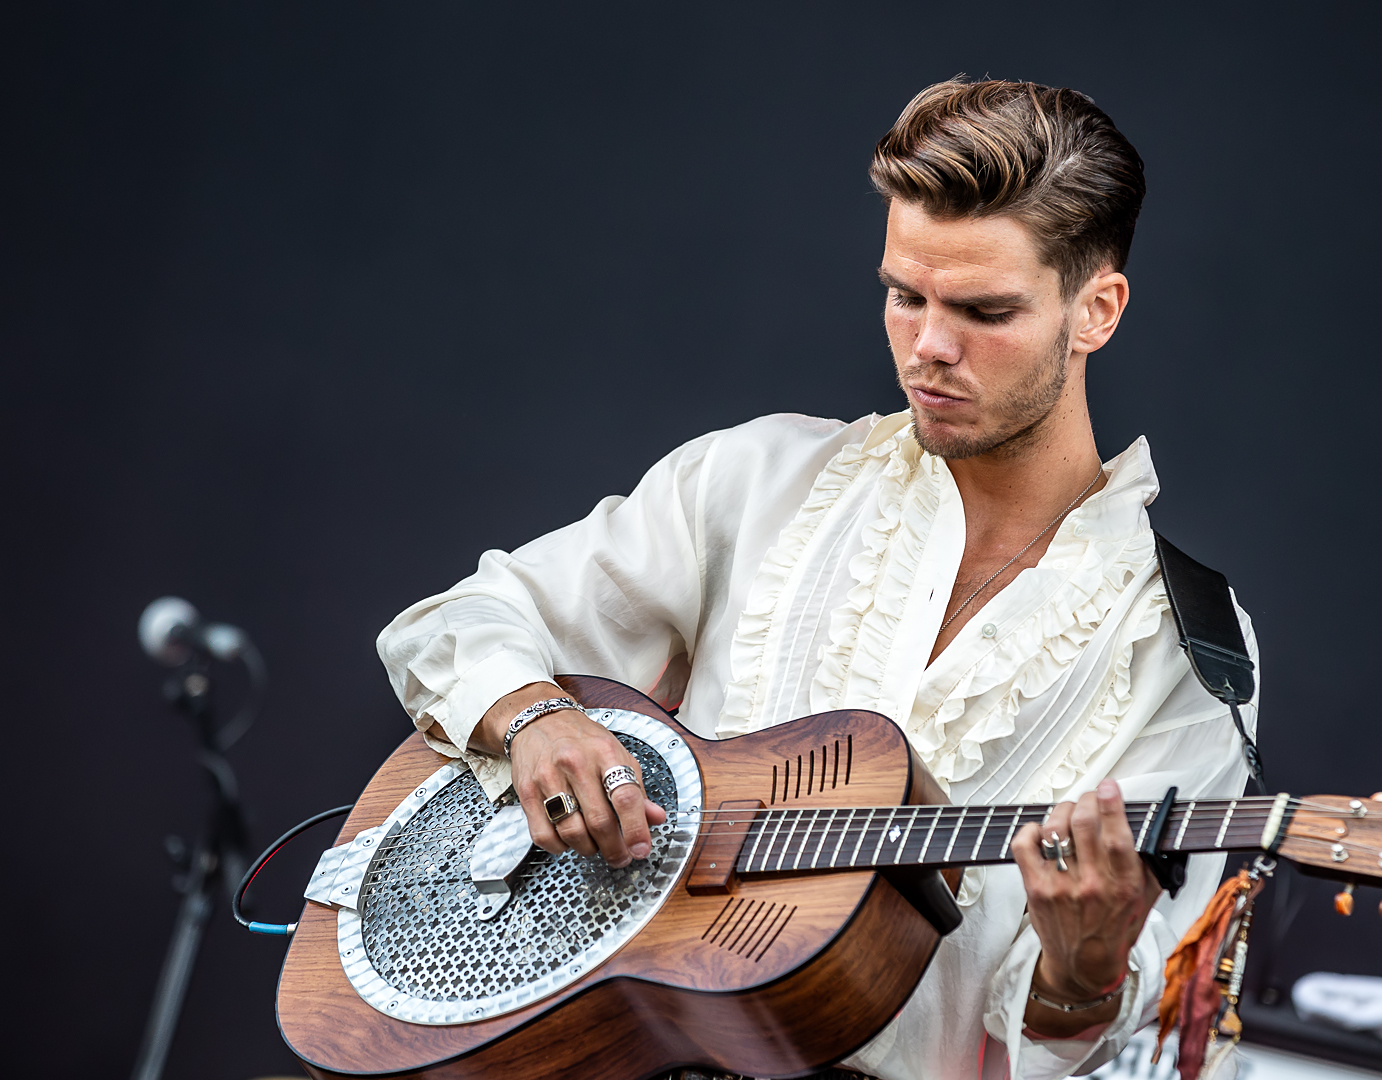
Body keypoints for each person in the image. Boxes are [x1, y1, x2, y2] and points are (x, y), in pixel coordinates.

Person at [376, 77, 1260, 1080]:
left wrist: (1087, 966)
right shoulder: (758, 476)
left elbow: (1079, 1035)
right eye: (905, 295)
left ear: (1095, 310)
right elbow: (458, 621)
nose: (929, 347)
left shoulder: (1191, 648)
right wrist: (536, 719)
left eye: (984, 310)